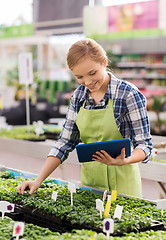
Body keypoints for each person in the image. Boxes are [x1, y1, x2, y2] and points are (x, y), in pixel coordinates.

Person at [16, 38, 153, 198]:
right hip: (90, 186)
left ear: (104, 62)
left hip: (124, 187)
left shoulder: (128, 94)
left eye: (92, 73)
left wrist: (124, 160)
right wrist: (38, 180)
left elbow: (145, 146)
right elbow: (64, 143)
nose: (87, 82)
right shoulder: (78, 97)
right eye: (79, 77)